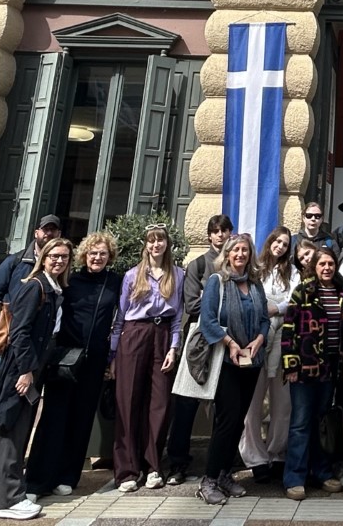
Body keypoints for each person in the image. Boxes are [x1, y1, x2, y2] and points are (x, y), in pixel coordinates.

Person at [0, 214, 62, 480]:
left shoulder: (59, 268)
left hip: (38, 348)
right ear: (36, 232)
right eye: (45, 230)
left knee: (23, 404)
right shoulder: (16, 262)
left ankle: (9, 459)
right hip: (12, 345)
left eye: (54, 231)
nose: (49, 234)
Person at [24, 232, 120, 500]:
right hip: (65, 357)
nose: (97, 258)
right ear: (84, 255)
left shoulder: (115, 282)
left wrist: (112, 357)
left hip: (95, 360)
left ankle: (68, 476)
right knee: (54, 418)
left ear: (109, 256)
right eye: (93, 253)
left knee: (81, 419)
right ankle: (37, 481)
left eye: (102, 253)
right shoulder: (70, 281)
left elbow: (120, 319)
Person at [0, 237, 72, 519]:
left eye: (64, 257)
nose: (59, 261)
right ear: (43, 258)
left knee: (13, 425)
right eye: (54, 256)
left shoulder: (53, 287)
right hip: (22, 368)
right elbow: (19, 332)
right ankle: (9, 500)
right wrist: (25, 371)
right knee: (14, 426)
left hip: (33, 366)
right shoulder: (35, 287)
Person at [196, 233, 270, 504]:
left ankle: (225, 474)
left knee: (239, 420)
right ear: (227, 253)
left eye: (245, 250)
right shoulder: (217, 282)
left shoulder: (255, 284)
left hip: (252, 361)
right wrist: (230, 343)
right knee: (226, 421)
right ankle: (208, 480)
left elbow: (264, 319)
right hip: (227, 362)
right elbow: (207, 320)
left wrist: (259, 340)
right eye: (236, 250)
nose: (240, 254)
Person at [109, 224, 183, 493]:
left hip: (162, 335)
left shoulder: (178, 275)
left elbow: (178, 316)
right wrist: (113, 354)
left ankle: (153, 466)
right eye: (151, 241)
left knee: (159, 402)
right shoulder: (133, 275)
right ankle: (127, 471)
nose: (156, 245)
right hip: (134, 334)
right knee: (128, 401)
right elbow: (120, 316)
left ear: (167, 244)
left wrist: (174, 347)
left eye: (160, 240)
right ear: (146, 245)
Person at [165, 214, 233, 484]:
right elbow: (192, 304)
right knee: (186, 401)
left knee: (223, 405)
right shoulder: (198, 264)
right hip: (199, 340)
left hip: (227, 340)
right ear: (209, 235)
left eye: (224, 230)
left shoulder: (236, 264)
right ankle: (178, 463)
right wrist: (218, 302)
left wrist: (212, 300)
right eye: (215, 231)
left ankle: (219, 465)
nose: (220, 235)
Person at [282, 247, 343, 500]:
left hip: (330, 368)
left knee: (322, 422)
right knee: (301, 422)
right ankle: (294, 477)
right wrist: (290, 365)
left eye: (331, 264)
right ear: (314, 266)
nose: (327, 268)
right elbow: (288, 329)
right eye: (322, 264)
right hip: (304, 368)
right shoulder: (303, 291)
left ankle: (321, 472)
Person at [240, 228, 296, 482]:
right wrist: (266, 309)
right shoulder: (255, 269)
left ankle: (277, 453)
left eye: (285, 243)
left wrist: (277, 308)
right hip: (256, 338)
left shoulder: (292, 272)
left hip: (284, 339)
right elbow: (248, 298)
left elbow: (294, 300)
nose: (280, 246)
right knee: (252, 402)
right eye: (277, 241)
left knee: (282, 403)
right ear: (270, 241)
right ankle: (255, 457)